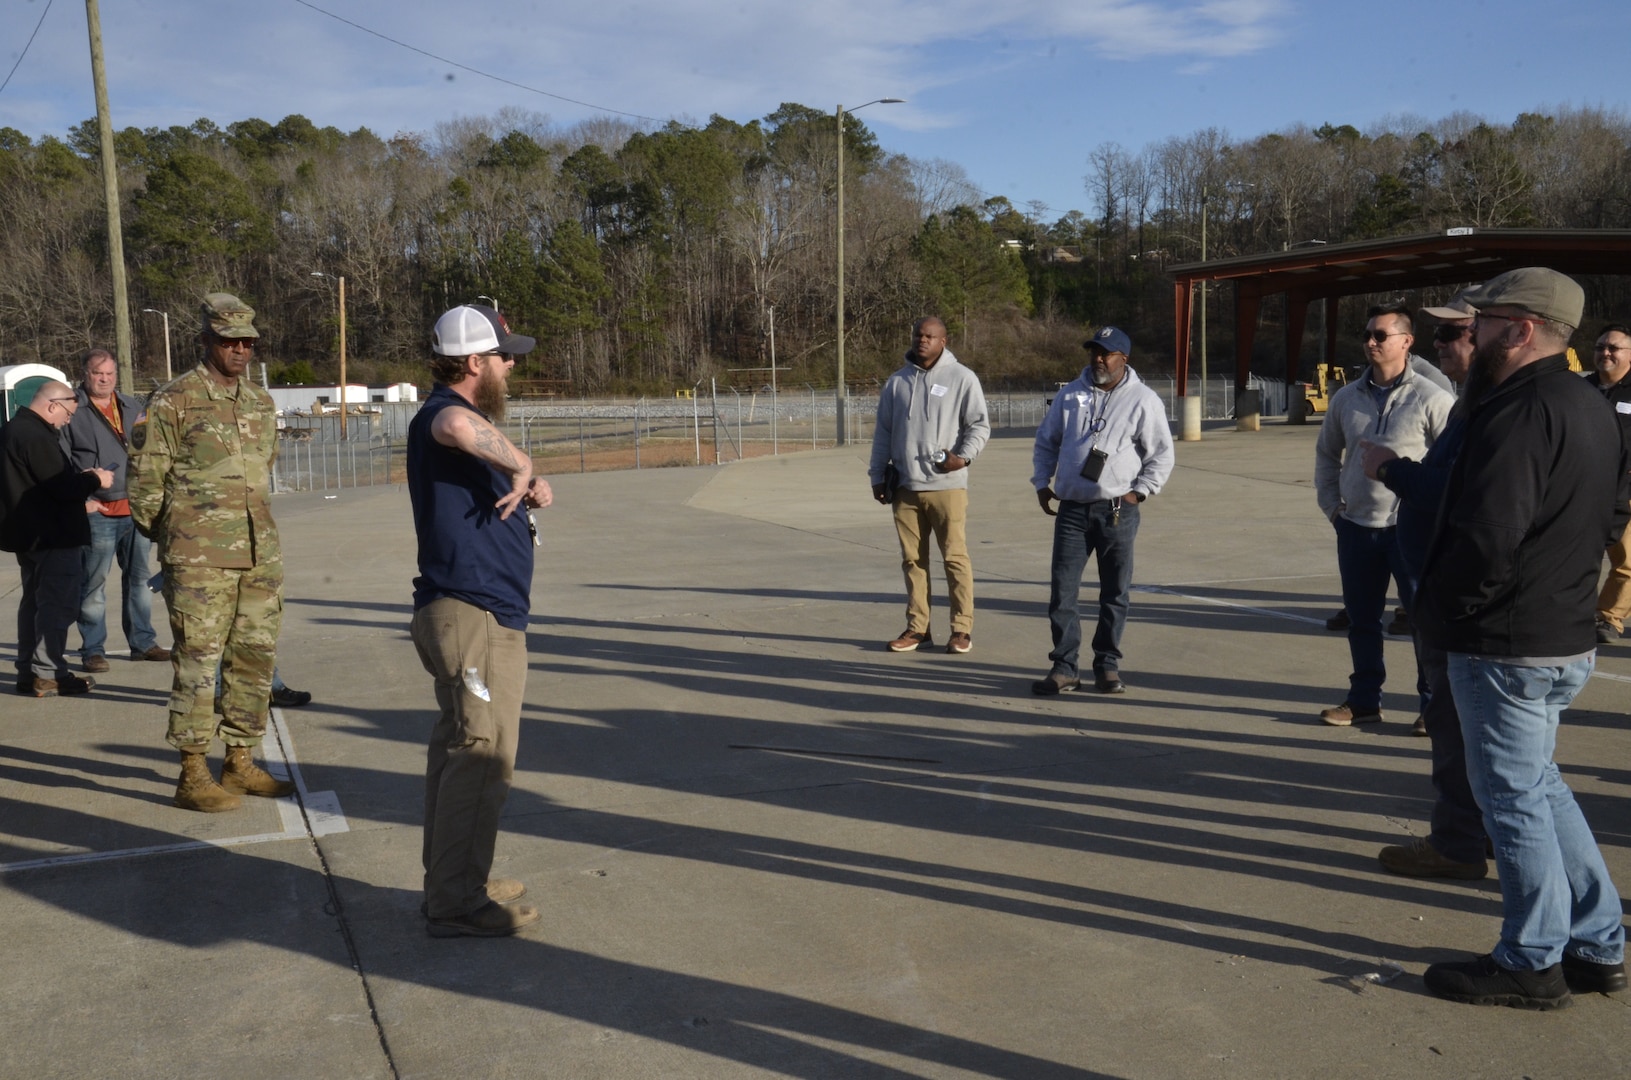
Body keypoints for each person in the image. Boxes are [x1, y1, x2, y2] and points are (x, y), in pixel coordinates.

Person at [1416, 267, 1627, 1009]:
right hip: (1560, 631)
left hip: (1506, 642)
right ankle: (1598, 942)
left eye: (1484, 320)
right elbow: (1606, 517)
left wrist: (1443, 613)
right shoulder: (1588, 404)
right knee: (1537, 787)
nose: (1471, 333)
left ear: (1522, 329)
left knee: (1510, 798)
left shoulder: (1517, 411)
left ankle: (1530, 961)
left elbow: (1488, 537)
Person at [409, 304, 551, 938]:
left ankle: (454, 877)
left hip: (479, 612)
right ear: (474, 363)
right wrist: (520, 463)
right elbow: (457, 428)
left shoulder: (471, 419)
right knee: (482, 755)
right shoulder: (444, 413)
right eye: (502, 356)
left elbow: (479, 442)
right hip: (474, 616)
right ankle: (456, 900)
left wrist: (528, 479)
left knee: (459, 751)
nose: (511, 364)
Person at [129, 293, 294, 813]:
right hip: (198, 560)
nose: (240, 350)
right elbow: (145, 482)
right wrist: (178, 542)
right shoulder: (173, 401)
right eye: (229, 341)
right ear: (207, 341)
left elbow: (262, 469)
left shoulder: (260, 403)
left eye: (247, 341)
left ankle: (240, 761)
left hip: (258, 554)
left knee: (253, 659)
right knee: (198, 665)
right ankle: (193, 771)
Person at [1360, 292, 1488, 880]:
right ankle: (1465, 834)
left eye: (1452, 335)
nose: (1441, 346)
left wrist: (1390, 468)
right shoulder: (1475, 402)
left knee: (1480, 738)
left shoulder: (1489, 408)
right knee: (1459, 728)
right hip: (1448, 590)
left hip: (1471, 603)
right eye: (1435, 336)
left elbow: (1460, 497)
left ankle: (1574, 932)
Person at [1313, 304, 1452, 725]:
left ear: (1407, 342)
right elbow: (1326, 454)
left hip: (1410, 530)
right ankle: (1364, 701)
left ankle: (1432, 707)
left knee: (1425, 625)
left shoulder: (1432, 398)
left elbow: (1452, 466)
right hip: (1355, 527)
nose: (1370, 342)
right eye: (1368, 334)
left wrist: (1431, 515)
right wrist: (1333, 508)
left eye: (1381, 335)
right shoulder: (1345, 398)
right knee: (1362, 621)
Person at [1030, 326, 1174, 695]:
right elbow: (1047, 441)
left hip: (1117, 511)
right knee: (1063, 591)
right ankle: (1064, 667)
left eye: (1106, 353)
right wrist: (1042, 482)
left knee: (1115, 592)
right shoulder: (1070, 395)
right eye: (1094, 351)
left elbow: (1161, 454)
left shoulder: (1143, 399)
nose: (1098, 358)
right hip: (1072, 510)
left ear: (1123, 359)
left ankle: (1106, 665)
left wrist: (1139, 493)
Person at [868, 316, 990, 654]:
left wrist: (962, 458)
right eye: (917, 334)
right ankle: (918, 629)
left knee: (954, 558)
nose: (922, 340)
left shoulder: (962, 378)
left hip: (947, 486)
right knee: (913, 561)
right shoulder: (897, 383)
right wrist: (878, 475)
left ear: (943, 341)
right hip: (905, 487)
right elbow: (884, 434)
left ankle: (961, 629)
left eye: (929, 336)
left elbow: (979, 425)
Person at [0, 382, 113, 697]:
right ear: (53, 405)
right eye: (68, 414)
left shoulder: (13, 430)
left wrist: (79, 491)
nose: (68, 421)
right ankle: (48, 672)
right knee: (56, 605)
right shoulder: (35, 436)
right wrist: (94, 479)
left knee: (34, 604)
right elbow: (61, 487)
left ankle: (28, 670)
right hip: (52, 536)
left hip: (29, 534)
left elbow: (38, 486)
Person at [64, 348, 170, 672]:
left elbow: (148, 450)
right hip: (97, 513)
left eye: (110, 374)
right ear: (85, 374)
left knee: (139, 580)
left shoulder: (131, 406)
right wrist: (81, 501)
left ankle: (142, 642)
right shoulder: (72, 410)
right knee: (93, 584)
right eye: (99, 374)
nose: (105, 380)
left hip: (134, 511)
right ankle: (93, 650)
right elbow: (60, 461)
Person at [1587, 323, 1631, 643]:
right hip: (1581, 489)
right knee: (1574, 553)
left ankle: (1608, 618)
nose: (1605, 352)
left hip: (1625, 491)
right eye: (1601, 346)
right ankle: (1570, 611)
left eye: (1613, 348)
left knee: (1626, 561)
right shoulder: (1580, 389)